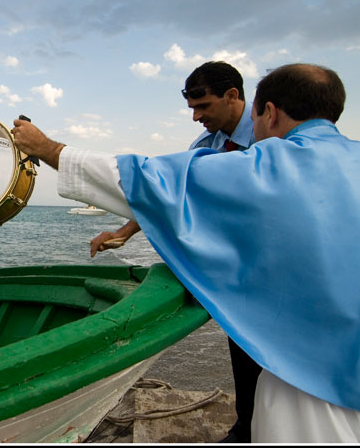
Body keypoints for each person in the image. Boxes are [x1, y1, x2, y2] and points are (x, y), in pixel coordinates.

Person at [11, 64, 360, 443]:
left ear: (269, 112)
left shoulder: (267, 164)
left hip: (309, 377)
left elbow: (151, 182)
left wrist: (47, 148)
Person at [89, 61, 260, 443]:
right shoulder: (205, 148)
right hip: (233, 272)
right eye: (193, 109)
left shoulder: (270, 137)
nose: (197, 117)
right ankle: (247, 427)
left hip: (272, 267)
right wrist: (124, 231)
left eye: (204, 107)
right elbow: (167, 195)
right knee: (244, 351)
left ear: (233, 96)